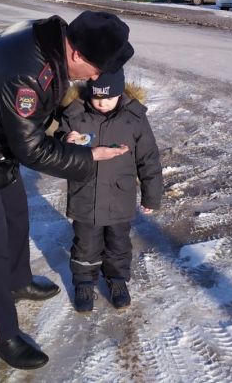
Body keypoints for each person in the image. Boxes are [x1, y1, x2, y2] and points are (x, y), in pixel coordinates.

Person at [0, 10, 134, 370]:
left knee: (16, 216)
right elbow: (32, 149)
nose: (97, 78)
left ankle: (18, 281)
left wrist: (62, 132)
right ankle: (0, 335)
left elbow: (37, 115)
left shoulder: (51, 43)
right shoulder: (28, 70)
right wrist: (87, 156)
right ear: (77, 54)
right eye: (97, 69)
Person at [55, 68, 163, 312]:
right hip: (85, 195)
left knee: (118, 243)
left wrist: (151, 195)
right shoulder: (75, 114)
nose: (102, 103)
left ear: (120, 93)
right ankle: (83, 281)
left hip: (119, 197)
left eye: (109, 98)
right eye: (97, 98)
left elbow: (149, 158)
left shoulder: (134, 118)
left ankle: (117, 280)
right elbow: (56, 146)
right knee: (85, 243)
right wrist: (65, 141)